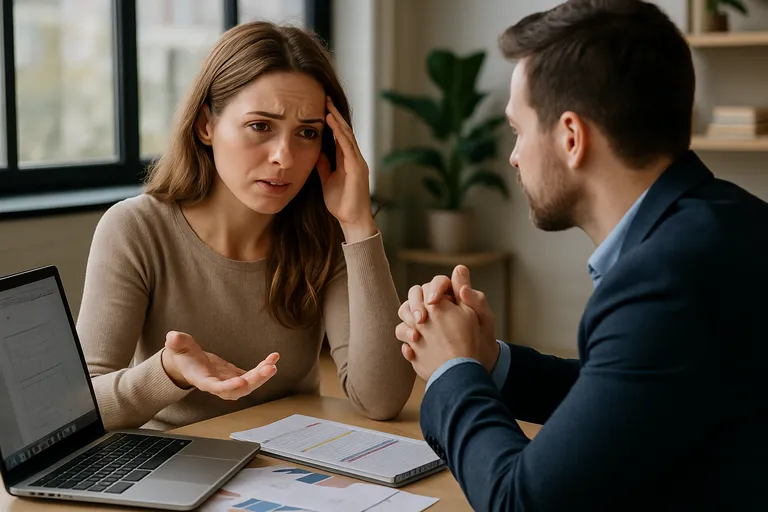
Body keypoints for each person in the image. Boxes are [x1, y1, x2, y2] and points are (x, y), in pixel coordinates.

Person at [396, 1, 768, 510]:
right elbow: (627, 391)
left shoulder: (663, 280)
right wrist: (489, 362)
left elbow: (520, 502)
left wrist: (452, 371)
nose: (513, 155)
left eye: (518, 130)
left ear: (571, 137)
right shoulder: (723, 219)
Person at [78, 21, 414, 432]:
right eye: (261, 126)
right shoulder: (135, 229)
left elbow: (382, 400)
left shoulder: (325, 232)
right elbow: (81, 405)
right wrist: (167, 372)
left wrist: (359, 224)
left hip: (295, 472)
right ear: (206, 125)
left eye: (307, 132)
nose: (284, 157)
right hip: (176, 469)